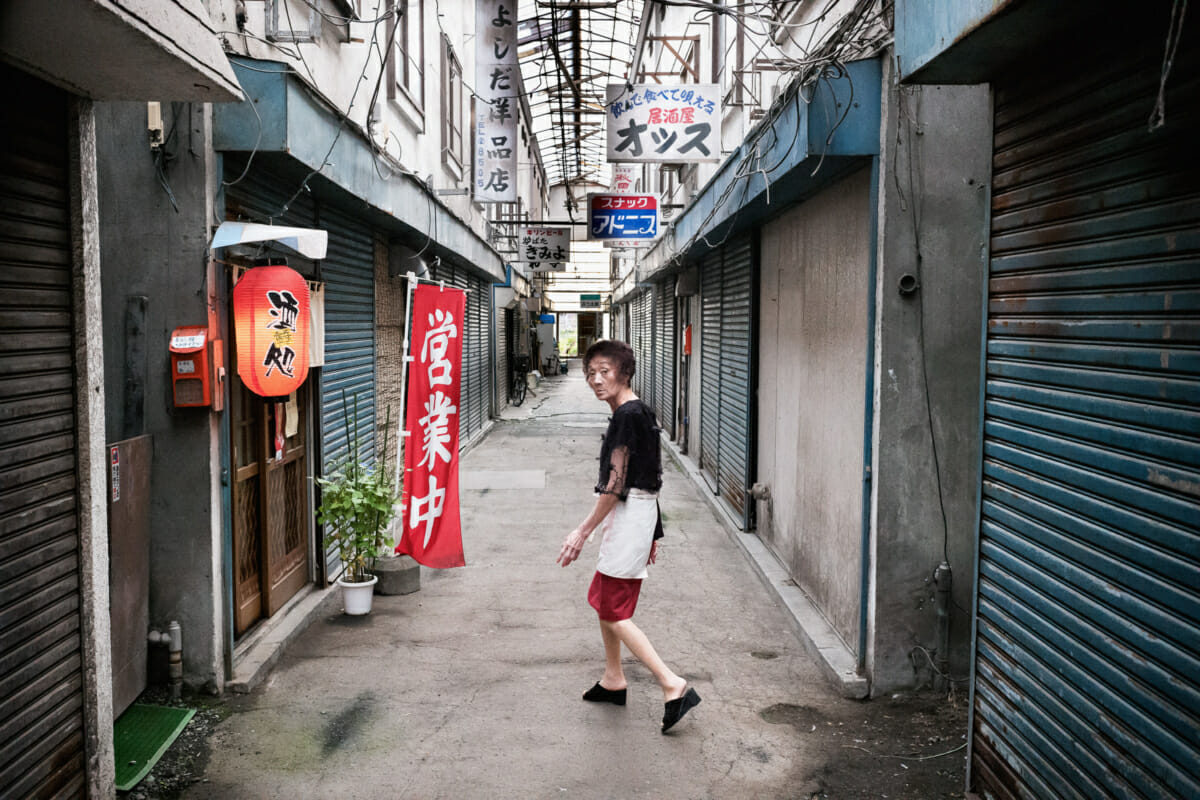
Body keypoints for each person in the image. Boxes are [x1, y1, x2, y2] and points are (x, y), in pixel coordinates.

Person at [556, 339, 701, 734]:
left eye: (605, 371)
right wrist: (651, 532)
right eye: (590, 373)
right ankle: (613, 678)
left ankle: (673, 685)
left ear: (624, 373)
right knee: (605, 601)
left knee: (615, 610)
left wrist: (581, 532)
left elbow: (616, 484)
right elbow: (650, 476)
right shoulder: (637, 412)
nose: (596, 380)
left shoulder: (627, 415)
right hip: (634, 517)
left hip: (628, 516)